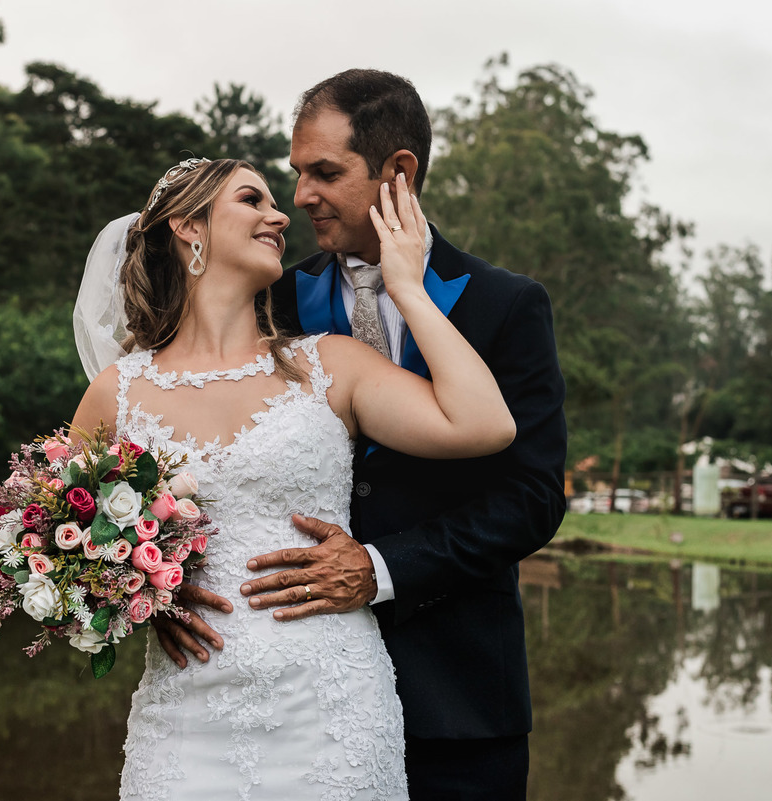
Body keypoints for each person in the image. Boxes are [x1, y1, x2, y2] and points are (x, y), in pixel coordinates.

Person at [154, 71, 568, 799]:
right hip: (289, 700)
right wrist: (159, 584)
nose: (301, 197)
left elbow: (531, 498)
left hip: (461, 697)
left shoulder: (507, 305)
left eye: (325, 172)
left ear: (398, 170)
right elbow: (191, 443)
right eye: (295, 175)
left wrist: (379, 567)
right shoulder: (272, 299)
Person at [69, 157, 516, 800]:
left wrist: (409, 289)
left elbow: (485, 424)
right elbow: (53, 543)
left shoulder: (330, 365)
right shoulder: (118, 394)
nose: (280, 215)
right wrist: (140, 599)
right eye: (252, 199)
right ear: (189, 226)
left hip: (330, 709)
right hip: (186, 717)